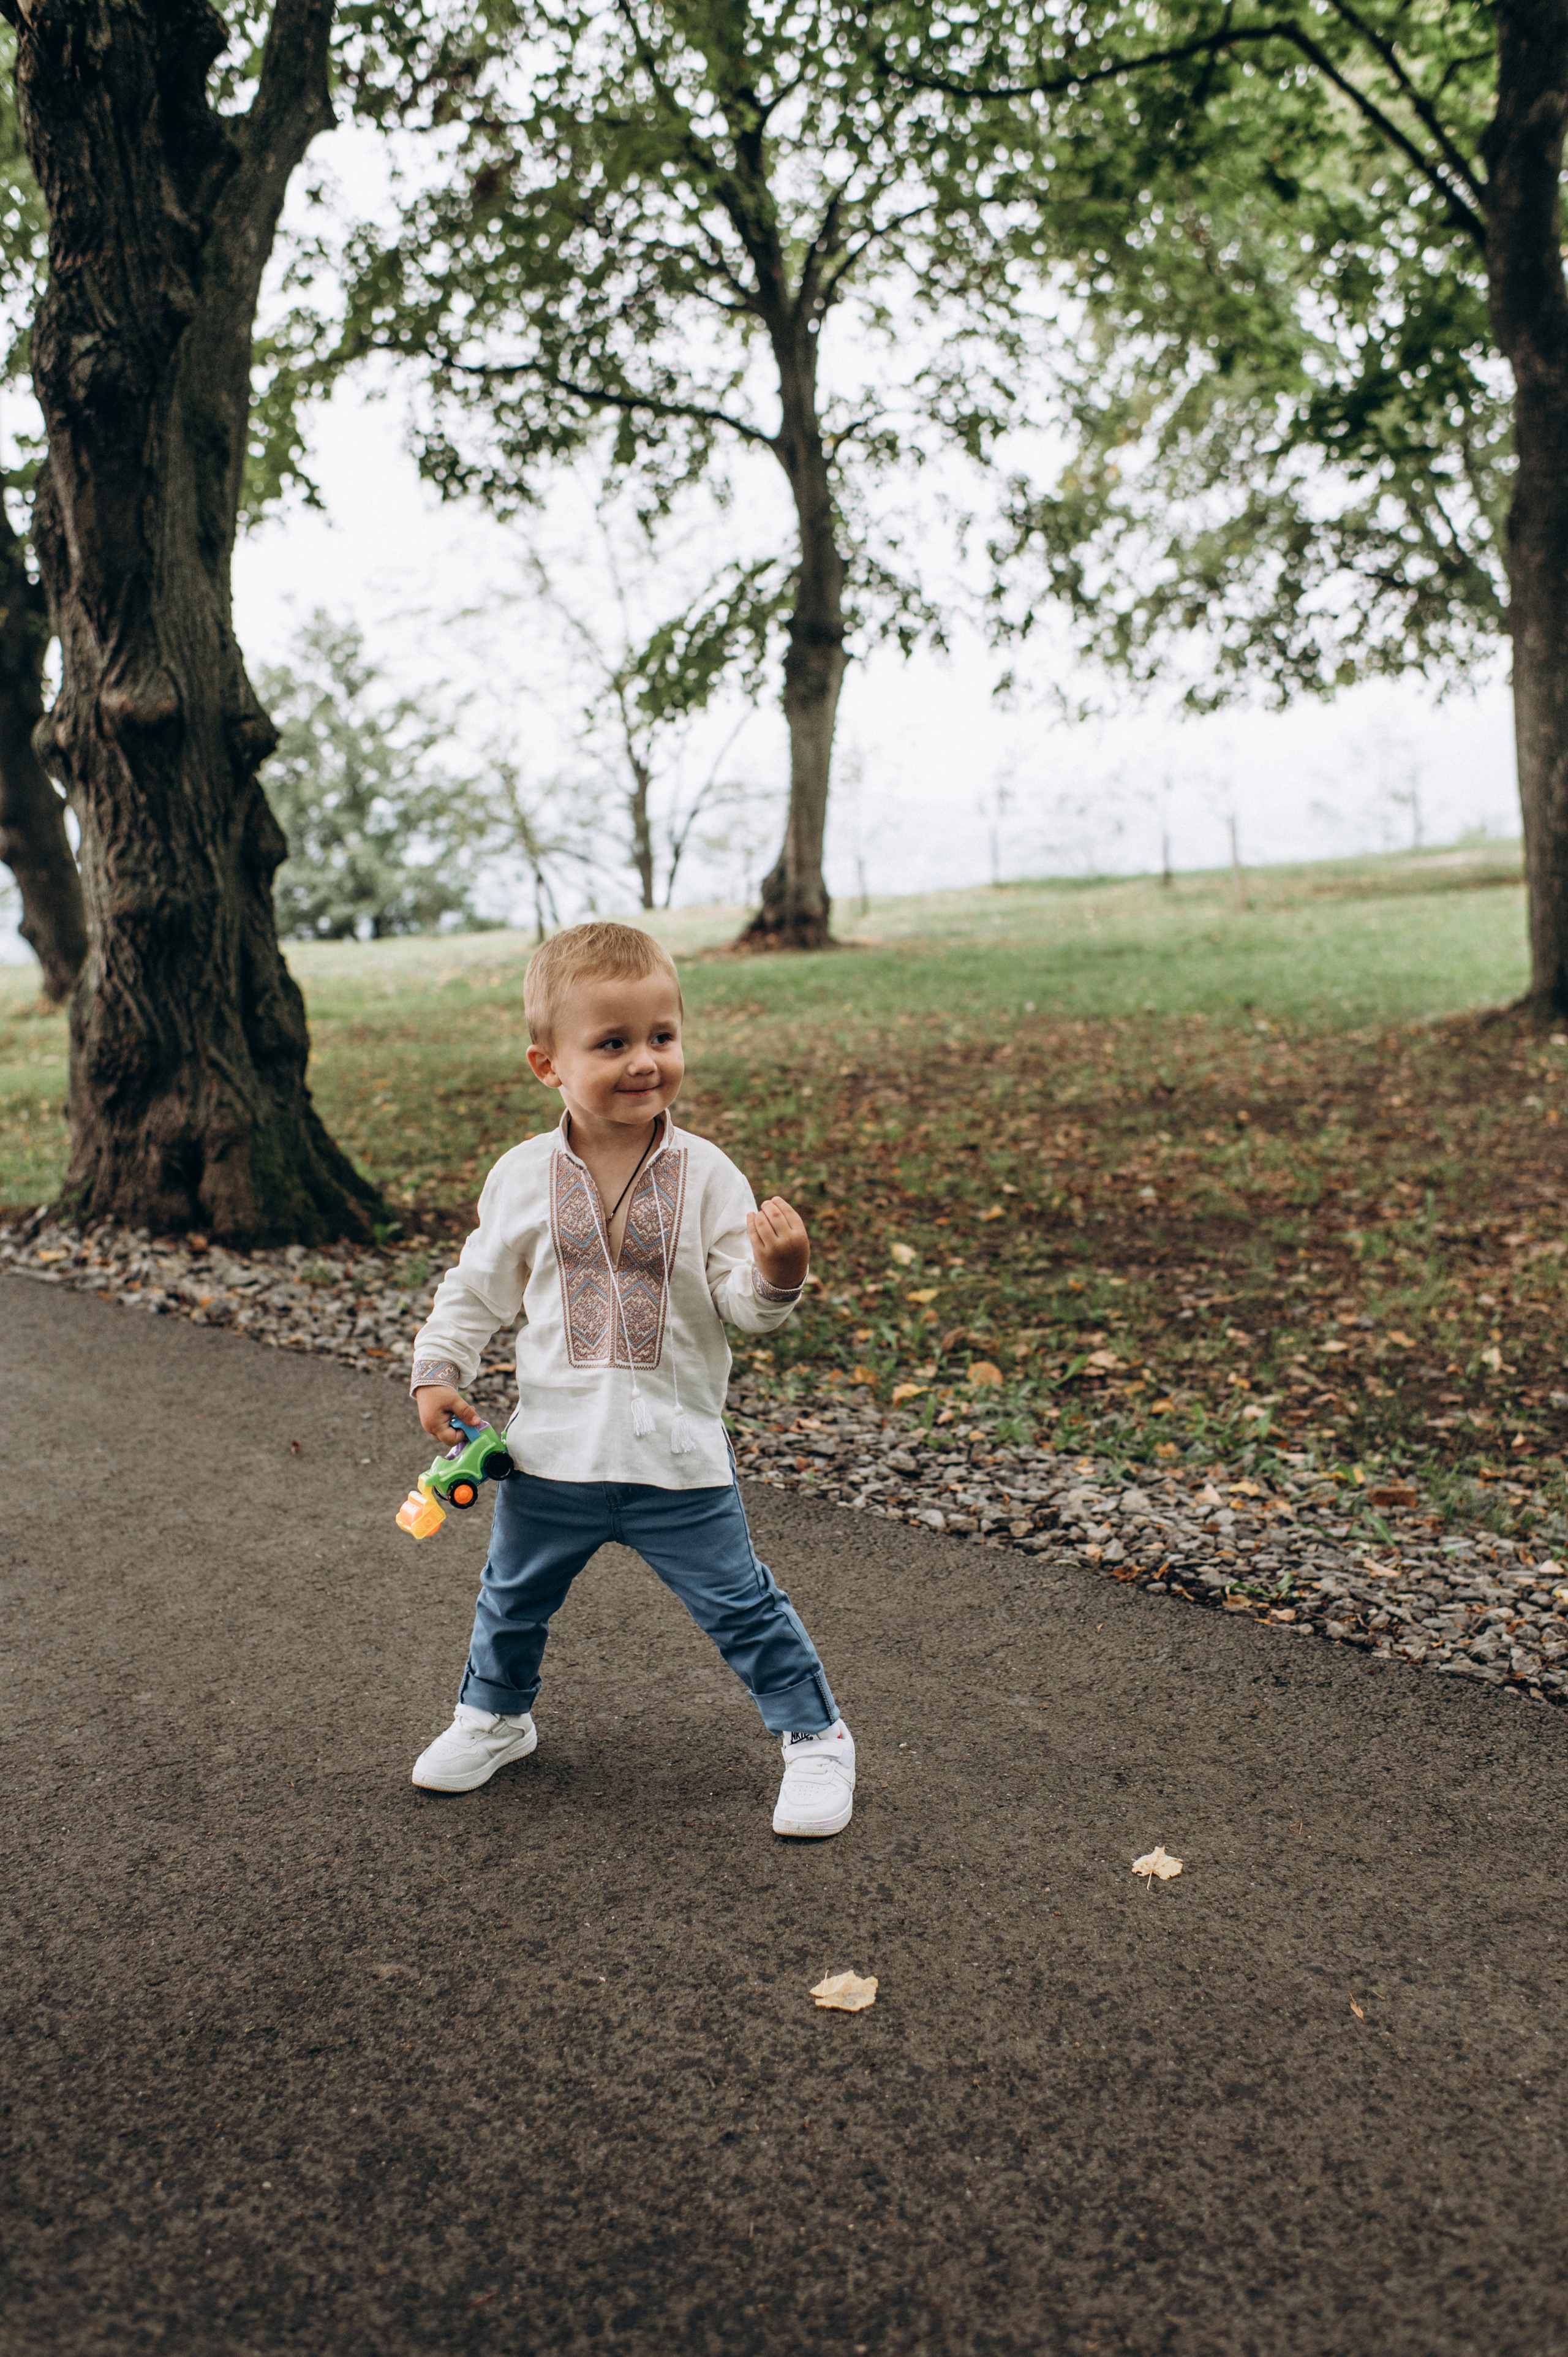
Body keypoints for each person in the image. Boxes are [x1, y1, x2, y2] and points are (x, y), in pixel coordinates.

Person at [405, 919, 854, 1837]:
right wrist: (439, 1370)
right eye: (612, 1044)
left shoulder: (707, 1174)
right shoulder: (526, 1176)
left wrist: (779, 1274)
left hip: (676, 1456)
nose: (645, 1061)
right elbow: (476, 1285)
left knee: (741, 1604)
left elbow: (742, 1307)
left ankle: (816, 1739)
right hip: (551, 1454)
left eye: (662, 1037)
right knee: (513, 1596)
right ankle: (494, 1719)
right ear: (549, 1065)